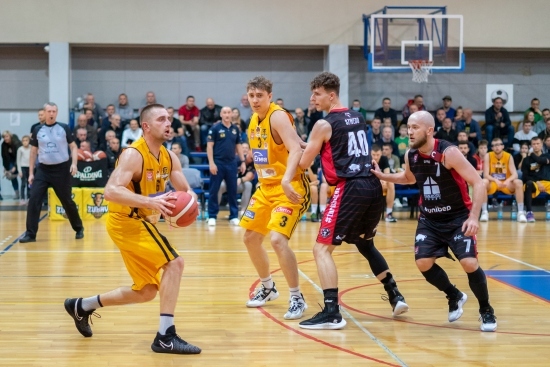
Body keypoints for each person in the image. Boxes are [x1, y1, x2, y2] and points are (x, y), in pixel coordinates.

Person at [63, 104, 201, 355]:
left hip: (137, 223)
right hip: (126, 221)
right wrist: (149, 202)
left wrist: (192, 199)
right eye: (161, 119)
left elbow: (183, 187)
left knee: (146, 291)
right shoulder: (133, 154)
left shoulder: (169, 157)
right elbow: (110, 191)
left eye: (169, 119)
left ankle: (81, 306)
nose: (168, 123)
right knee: (175, 263)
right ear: (146, 126)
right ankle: (165, 336)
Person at [297, 72, 408, 330]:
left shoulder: (324, 124)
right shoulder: (357, 117)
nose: (313, 98)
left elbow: (305, 162)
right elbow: (336, 147)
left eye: (317, 94)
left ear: (331, 94)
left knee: (321, 249)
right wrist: (308, 143)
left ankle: (332, 312)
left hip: (350, 187)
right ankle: (395, 295)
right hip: (371, 184)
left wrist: (297, 151)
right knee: (365, 243)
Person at [371, 110, 497, 332]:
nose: (409, 132)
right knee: (423, 262)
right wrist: (383, 177)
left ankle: (486, 309)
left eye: (415, 127)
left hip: (458, 217)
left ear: (429, 130)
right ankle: (454, 295)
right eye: (408, 127)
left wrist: (474, 217)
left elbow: (478, 183)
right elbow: (408, 178)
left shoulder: (449, 152)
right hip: (429, 219)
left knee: (469, 263)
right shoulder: (411, 154)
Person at [239, 76, 310, 320]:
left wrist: (286, 179)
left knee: (278, 240)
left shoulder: (277, 116)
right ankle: (268, 287)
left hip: (288, 187)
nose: (255, 100)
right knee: (250, 238)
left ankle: (297, 297)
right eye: (251, 95)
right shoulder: (253, 120)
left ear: (270, 96)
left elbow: (296, 149)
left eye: (260, 95)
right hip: (265, 188)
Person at [20, 102, 84, 243]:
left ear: (57, 112)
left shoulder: (64, 128)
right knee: (34, 200)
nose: (51, 114)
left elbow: (73, 147)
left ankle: (78, 228)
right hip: (43, 170)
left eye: (54, 111)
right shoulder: (37, 129)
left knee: (67, 201)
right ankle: (30, 234)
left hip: (61, 170)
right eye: (49, 111)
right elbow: (33, 152)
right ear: (44, 112)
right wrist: (31, 173)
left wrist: (74, 164)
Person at [206, 106, 246, 226]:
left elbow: (239, 146)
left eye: (229, 112)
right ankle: (212, 216)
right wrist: (211, 163)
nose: (227, 114)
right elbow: (209, 146)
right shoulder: (215, 128)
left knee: (232, 190)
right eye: (225, 112)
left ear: (231, 115)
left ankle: (233, 216)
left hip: (231, 163)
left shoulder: (235, 129)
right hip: (218, 163)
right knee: (214, 189)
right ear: (221, 115)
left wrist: (243, 161)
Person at [479, 137, 526, 223]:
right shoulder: (488, 155)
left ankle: (521, 212)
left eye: (498, 145)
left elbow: (515, 174)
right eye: (494, 145)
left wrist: (507, 181)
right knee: (483, 182)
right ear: (492, 148)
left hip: (505, 183)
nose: (496, 147)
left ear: (502, 146)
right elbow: (485, 175)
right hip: (493, 182)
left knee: (519, 182)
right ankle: (485, 212)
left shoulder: (508, 156)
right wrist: (496, 180)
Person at [218, 141, 256, 218]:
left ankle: (243, 211)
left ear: (249, 151)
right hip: (227, 182)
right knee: (219, 185)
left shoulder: (253, 161)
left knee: (248, 184)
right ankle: (214, 211)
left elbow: (250, 176)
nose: (245, 150)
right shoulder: (235, 159)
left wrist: (240, 180)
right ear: (239, 150)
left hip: (239, 184)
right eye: (243, 148)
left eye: (246, 148)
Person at [521, 137, 550, 222]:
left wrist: (531, 154)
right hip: (534, 183)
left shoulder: (547, 156)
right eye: (534, 144)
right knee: (528, 184)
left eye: (538, 144)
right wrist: (537, 182)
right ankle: (529, 212)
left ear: (542, 145)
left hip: (547, 182)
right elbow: (525, 176)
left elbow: (540, 160)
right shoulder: (526, 160)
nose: (536, 146)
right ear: (531, 146)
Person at [371, 145, 398, 222]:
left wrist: (383, 181)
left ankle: (389, 214)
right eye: (373, 155)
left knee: (390, 183)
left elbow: (387, 175)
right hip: (369, 185)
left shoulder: (384, 159)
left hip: (382, 185)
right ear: (370, 154)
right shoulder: (368, 160)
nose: (375, 157)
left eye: (378, 155)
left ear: (381, 154)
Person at [1, 130, 22, 200]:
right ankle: (17, 193)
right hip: (11, 161)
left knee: (23, 176)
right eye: (4, 137)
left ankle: (27, 194)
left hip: (20, 160)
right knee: (11, 177)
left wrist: (15, 167)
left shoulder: (16, 143)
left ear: (10, 136)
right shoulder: (3, 145)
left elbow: (19, 156)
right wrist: (5, 167)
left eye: (7, 136)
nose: (5, 138)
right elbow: (4, 157)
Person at [17, 135, 31, 204]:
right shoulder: (20, 149)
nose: (25, 142)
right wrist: (19, 171)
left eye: (26, 140)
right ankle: (22, 198)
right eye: (23, 141)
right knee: (23, 183)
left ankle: (29, 197)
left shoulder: (31, 148)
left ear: (29, 141)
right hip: (23, 167)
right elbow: (18, 160)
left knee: (29, 183)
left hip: (30, 167)